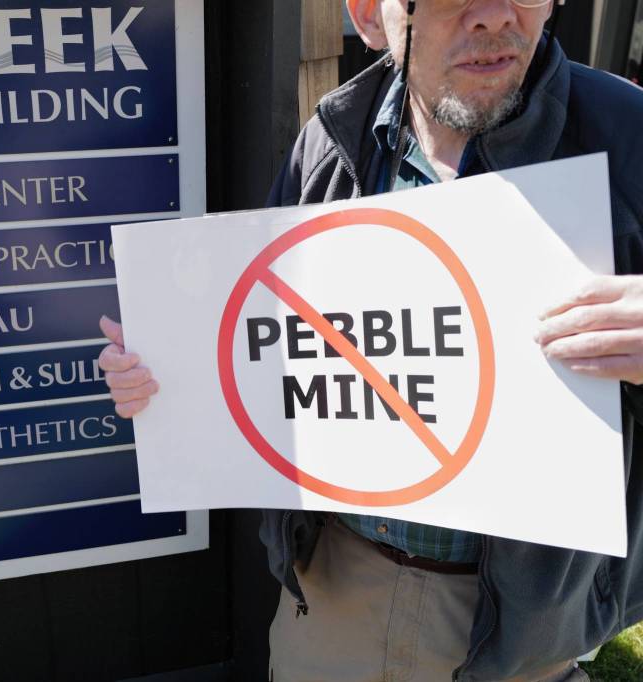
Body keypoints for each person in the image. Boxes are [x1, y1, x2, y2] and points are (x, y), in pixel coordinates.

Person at [98, 0, 643, 680]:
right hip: (334, 587)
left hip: (517, 619)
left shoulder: (629, 137)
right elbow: (267, 337)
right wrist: (164, 375)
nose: (493, 16)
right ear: (368, 14)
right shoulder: (331, 138)